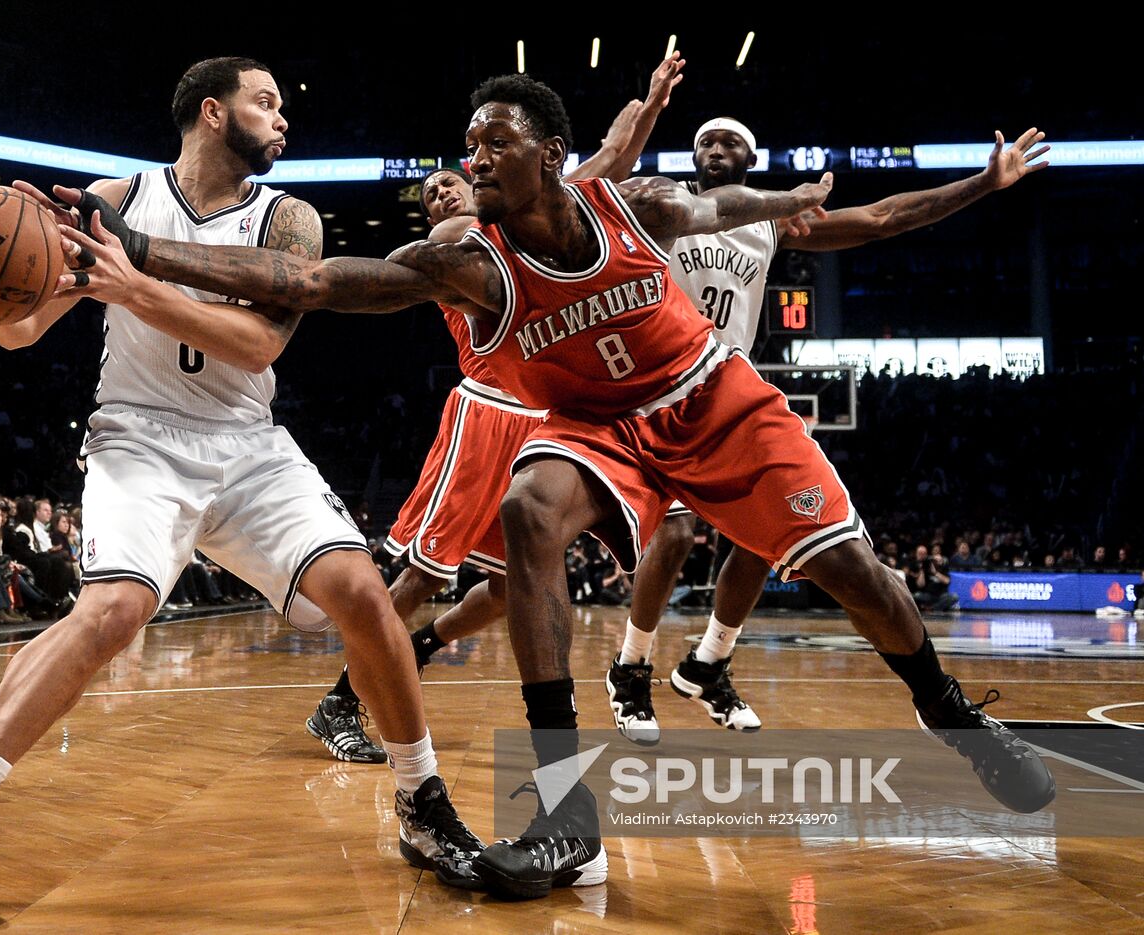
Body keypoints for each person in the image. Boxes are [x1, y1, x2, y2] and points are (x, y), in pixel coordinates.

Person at [55, 71, 1056, 901]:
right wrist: (140, 250)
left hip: (711, 397)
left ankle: (949, 711)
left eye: (492, 141)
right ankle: (564, 807)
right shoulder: (467, 266)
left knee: (860, 578)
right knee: (527, 512)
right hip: (597, 425)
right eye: (467, 143)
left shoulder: (645, 206)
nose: (473, 157)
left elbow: (865, 221)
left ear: (548, 153)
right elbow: (308, 285)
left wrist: (980, 181)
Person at [0, 57, 482, 929]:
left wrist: (132, 284)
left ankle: (423, 806)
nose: (283, 120)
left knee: (363, 592)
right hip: (138, 433)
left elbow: (256, 347)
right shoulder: (112, 197)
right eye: (265, 102)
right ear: (212, 110)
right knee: (114, 609)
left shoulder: (290, 218)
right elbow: (18, 331)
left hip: (246, 441)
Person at [611, 118, 1051, 741]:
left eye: (730, 142)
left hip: (723, 390)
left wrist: (983, 183)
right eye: (705, 141)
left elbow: (881, 219)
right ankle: (631, 666)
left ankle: (710, 660)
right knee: (678, 533)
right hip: (655, 393)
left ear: (751, 157)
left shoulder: (770, 222)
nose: (715, 149)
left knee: (771, 537)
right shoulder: (662, 204)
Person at [305, 52, 686, 764]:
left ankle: (419, 645)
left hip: (536, 417)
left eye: (461, 173)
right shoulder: (458, 240)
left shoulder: (523, 217)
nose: (454, 184)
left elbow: (603, 160)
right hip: (485, 413)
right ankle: (339, 701)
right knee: (424, 570)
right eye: (439, 188)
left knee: (515, 581)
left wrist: (654, 105)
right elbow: (596, 166)